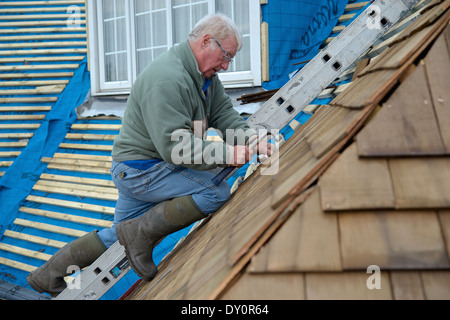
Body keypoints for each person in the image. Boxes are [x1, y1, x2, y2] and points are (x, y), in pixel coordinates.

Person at [27, 13, 272, 296]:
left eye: (232, 59)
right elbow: (176, 149)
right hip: (142, 170)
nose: (227, 65)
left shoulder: (204, 77)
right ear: (206, 41)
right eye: (226, 55)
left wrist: (251, 139)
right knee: (215, 191)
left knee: (118, 237)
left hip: (142, 168)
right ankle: (139, 234)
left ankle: (47, 276)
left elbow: (223, 115)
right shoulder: (168, 79)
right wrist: (229, 153)